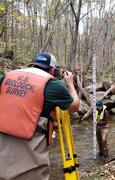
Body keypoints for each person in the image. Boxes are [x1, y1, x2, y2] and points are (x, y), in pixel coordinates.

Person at [0, 52, 80, 180]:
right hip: (29, 146)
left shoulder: (8, 76)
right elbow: (75, 106)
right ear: (53, 69)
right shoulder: (53, 85)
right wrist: (70, 83)